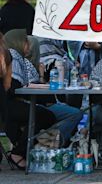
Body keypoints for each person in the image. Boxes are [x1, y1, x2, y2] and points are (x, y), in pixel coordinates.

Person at [4, 29, 82, 147]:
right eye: (26, 42)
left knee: (65, 111)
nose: (29, 45)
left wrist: (41, 77)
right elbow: (20, 87)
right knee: (73, 113)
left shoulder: (21, 61)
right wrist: (44, 83)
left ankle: (50, 143)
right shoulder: (15, 59)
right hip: (26, 105)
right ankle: (52, 143)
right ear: (18, 42)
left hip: (32, 103)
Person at [0, 35, 56, 169]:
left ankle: (19, 151)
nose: (29, 48)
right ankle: (18, 153)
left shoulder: (16, 58)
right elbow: (10, 87)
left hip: (8, 105)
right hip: (7, 105)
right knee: (43, 115)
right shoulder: (11, 56)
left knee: (36, 114)